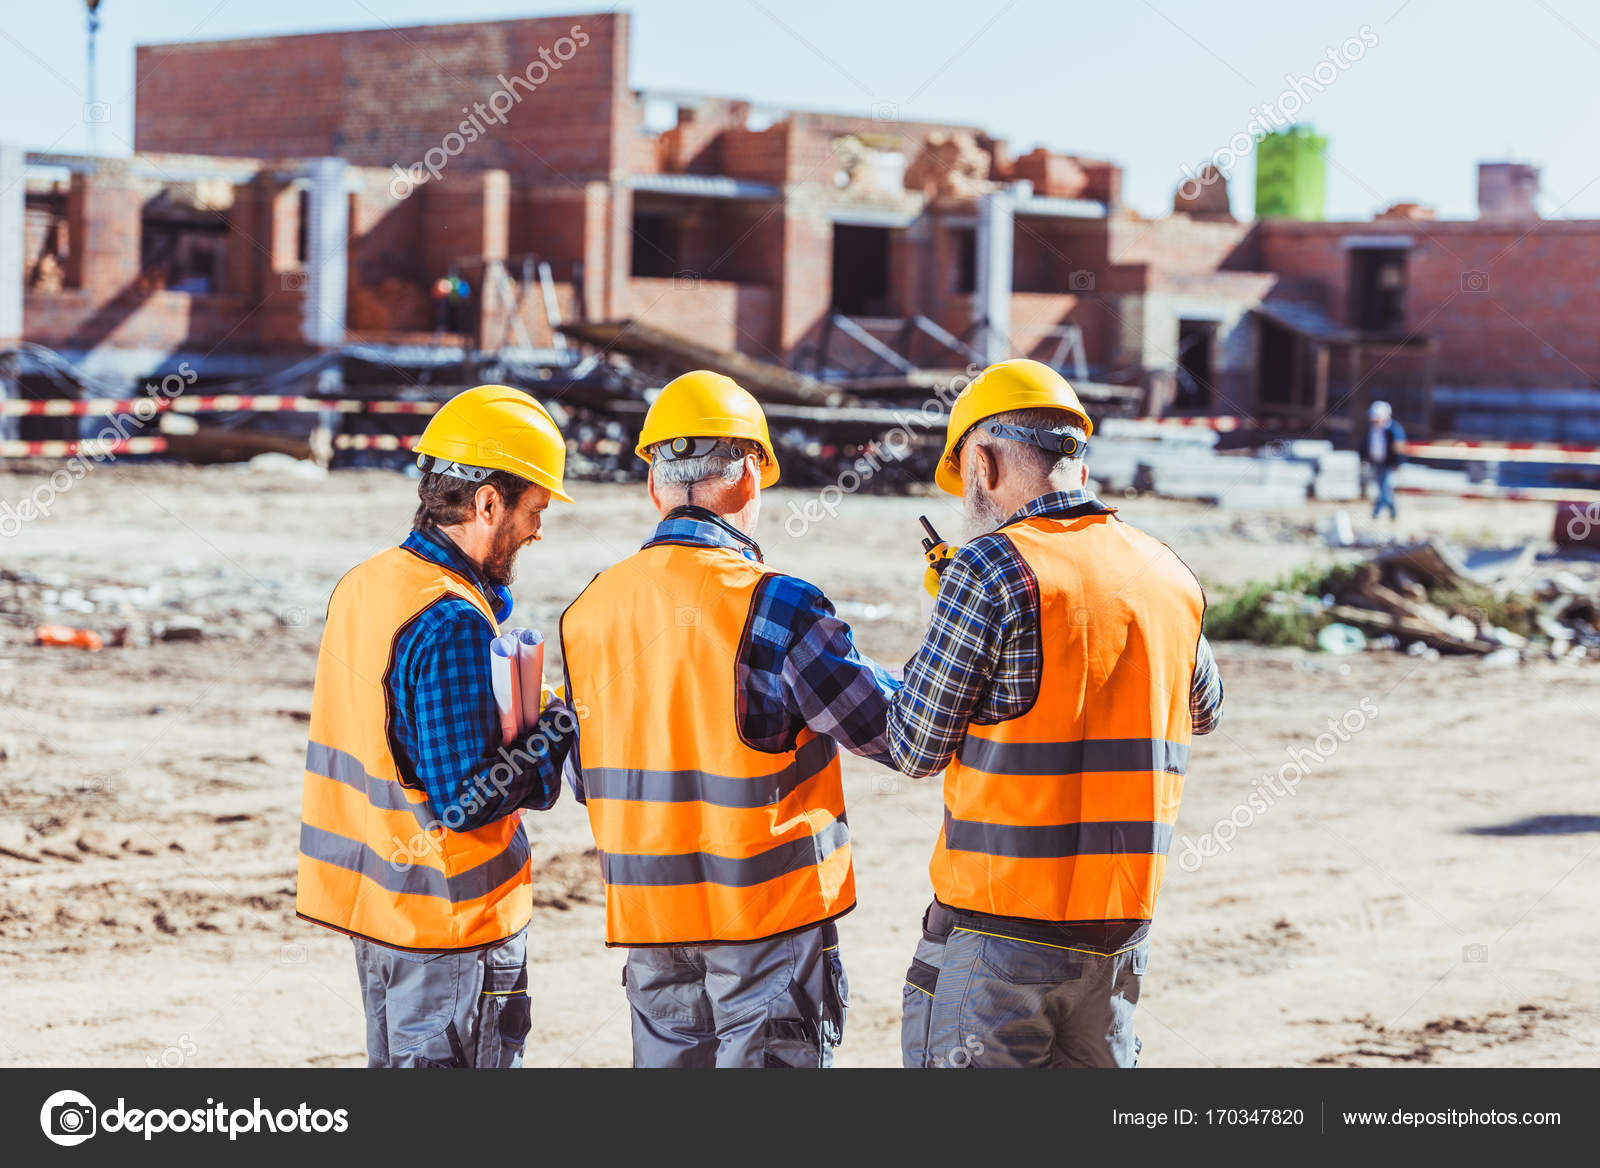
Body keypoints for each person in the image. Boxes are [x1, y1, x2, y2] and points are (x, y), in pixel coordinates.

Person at [888, 359, 1224, 1069]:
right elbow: (1204, 707)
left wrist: (941, 613)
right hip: (1118, 940)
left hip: (1000, 936)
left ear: (981, 460)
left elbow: (914, 743)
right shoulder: (1166, 571)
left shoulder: (987, 569)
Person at [560, 370, 899, 1068]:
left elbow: (586, 779)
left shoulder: (589, 611)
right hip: (765, 924)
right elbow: (888, 729)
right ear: (750, 478)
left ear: (654, 486)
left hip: (651, 924)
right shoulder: (778, 605)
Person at [296, 384, 577, 1068]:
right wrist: (556, 729)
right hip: (451, 929)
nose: (538, 530)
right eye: (534, 510)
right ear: (488, 503)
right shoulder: (451, 621)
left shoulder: (368, 583)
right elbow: (464, 797)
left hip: (382, 917)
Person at [1363, 399, 1406, 520]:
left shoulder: (1394, 430)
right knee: (1385, 487)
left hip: (1389, 464)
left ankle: (1376, 512)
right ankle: (1393, 511)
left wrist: (1398, 464)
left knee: (1384, 488)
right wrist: (1365, 459)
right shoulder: (1372, 429)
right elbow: (1366, 444)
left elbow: (1399, 449)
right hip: (1376, 462)